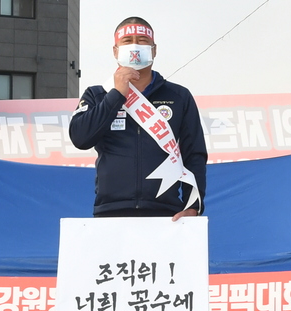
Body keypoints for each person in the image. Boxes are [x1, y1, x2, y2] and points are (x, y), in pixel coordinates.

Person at [68, 17, 207, 219]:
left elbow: (194, 154)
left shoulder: (179, 96)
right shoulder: (97, 95)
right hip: (110, 212)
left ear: (154, 50)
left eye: (142, 40)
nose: (135, 46)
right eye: (127, 41)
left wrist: (192, 205)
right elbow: (80, 138)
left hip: (167, 213)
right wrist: (116, 95)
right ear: (115, 51)